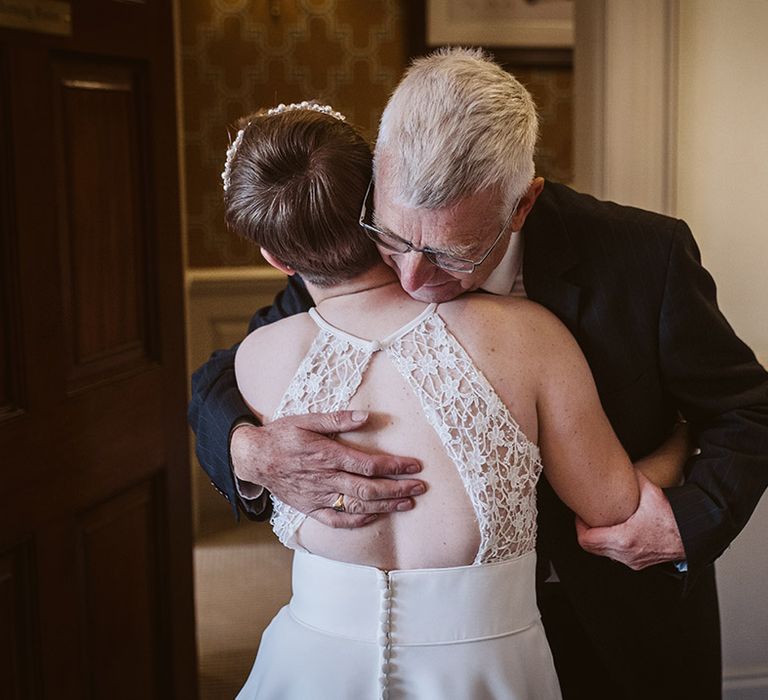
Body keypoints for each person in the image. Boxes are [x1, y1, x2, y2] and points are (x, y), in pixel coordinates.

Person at [189, 50, 768, 699]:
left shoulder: (643, 256)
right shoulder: (356, 245)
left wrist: (688, 519)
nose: (409, 281)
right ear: (378, 182)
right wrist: (249, 449)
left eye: (450, 254)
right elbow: (217, 377)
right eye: (395, 239)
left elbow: (751, 408)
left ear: (522, 205)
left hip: (617, 617)